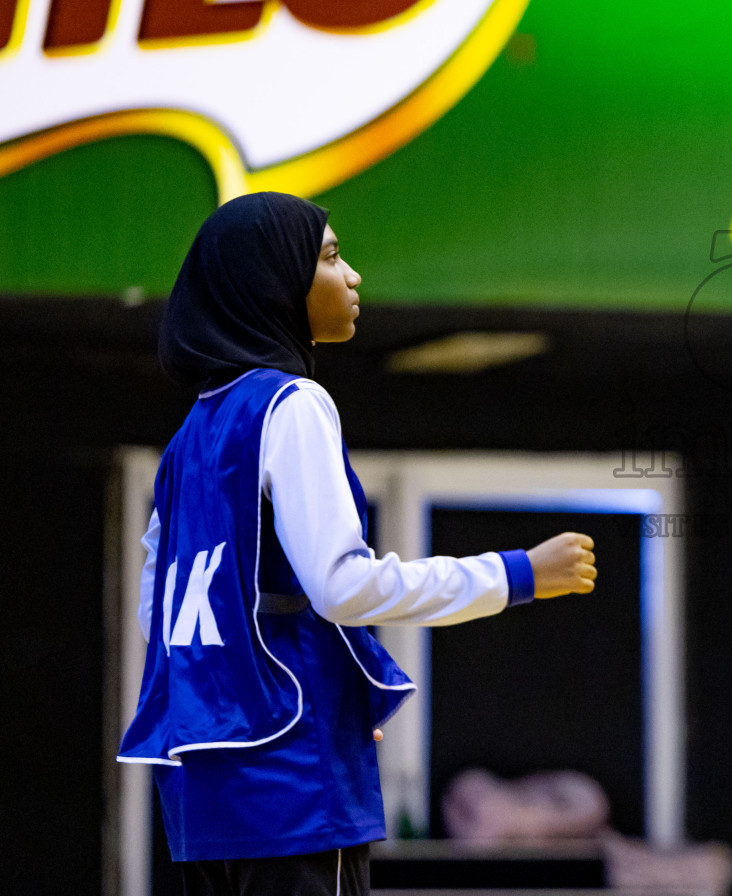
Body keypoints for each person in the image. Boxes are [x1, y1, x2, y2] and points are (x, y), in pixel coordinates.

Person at [118, 192, 598, 895]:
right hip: (291, 781)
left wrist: (326, 696)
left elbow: (158, 617)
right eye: (331, 256)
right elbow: (342, 585)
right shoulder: (292, 402)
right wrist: (515, 573)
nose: (354, 277)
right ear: (273, 283)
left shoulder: (187, 439)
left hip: (198, 789)